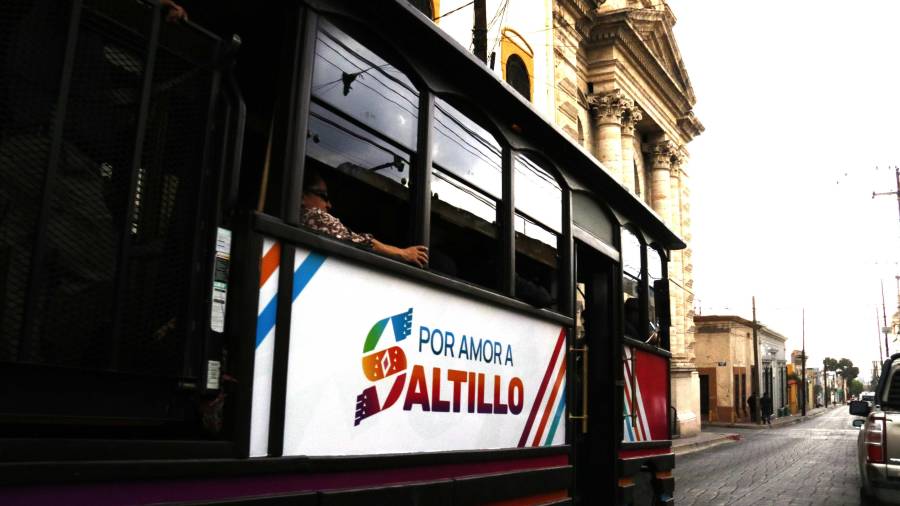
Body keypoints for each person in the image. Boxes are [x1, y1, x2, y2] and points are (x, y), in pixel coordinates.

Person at [300, 170, 429, 267]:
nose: (329, 205)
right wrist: (404, 253)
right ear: (302, 196)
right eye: (323, 196)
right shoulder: (315, 216)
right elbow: (362, 243)